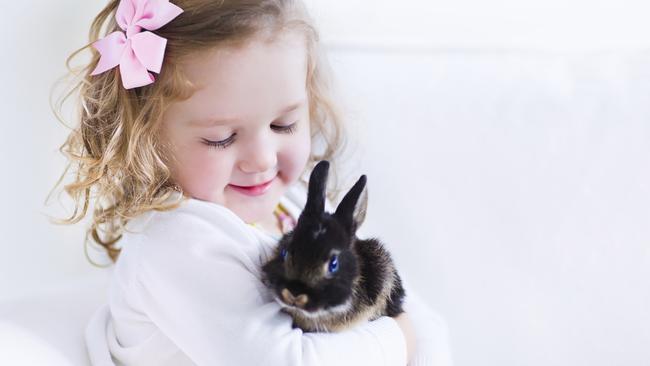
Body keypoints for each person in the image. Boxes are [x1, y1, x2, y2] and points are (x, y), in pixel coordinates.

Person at [51, 0, 452, 364]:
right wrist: (399, 341)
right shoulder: (177, 241)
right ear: (146, 138)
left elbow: (415, 313)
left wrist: (413, 337)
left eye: (284, 124)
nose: (262, 158)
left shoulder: (292, 207)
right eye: (221, 137)